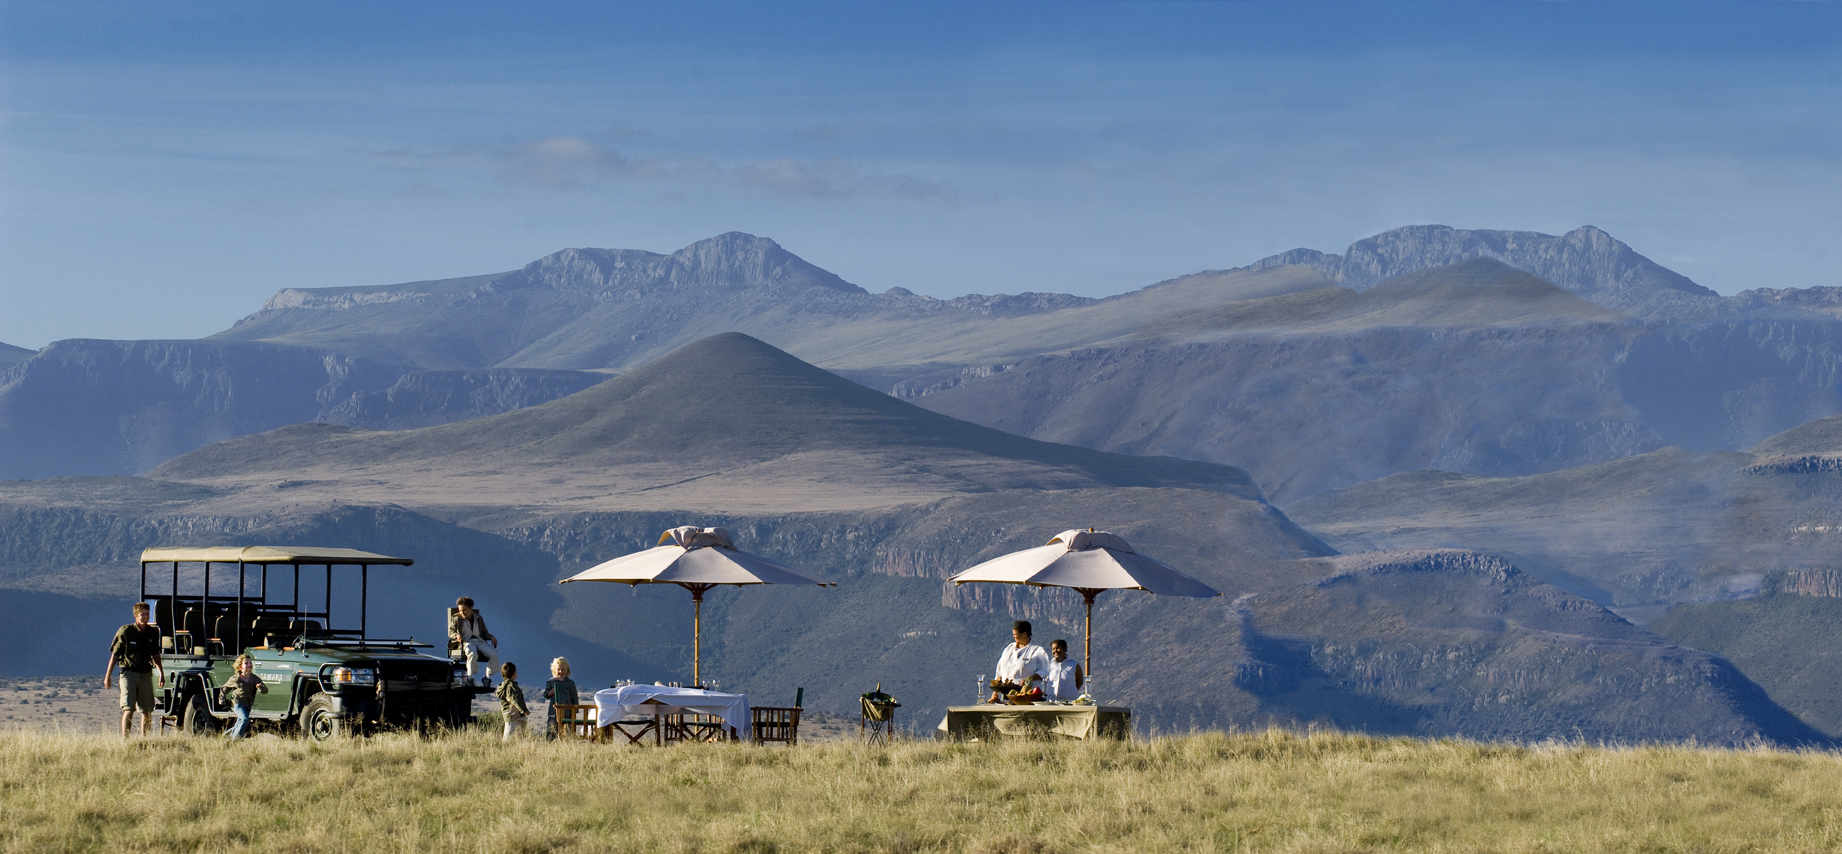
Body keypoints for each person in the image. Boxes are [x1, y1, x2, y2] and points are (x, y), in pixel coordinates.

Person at [104, 602, 166, 738]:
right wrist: (108, 675)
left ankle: (145, 739)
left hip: (145, 674)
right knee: (128, 708)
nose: (145, 617)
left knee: (147, 710)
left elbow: (156, 655)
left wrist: (161, 673)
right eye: (142, 614)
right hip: (129, 674)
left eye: (147, 614)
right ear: (136, 615)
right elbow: (115, 655)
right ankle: (126, 739)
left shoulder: (152, 633)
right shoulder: (126, 631)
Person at [988, 620, 1051, 703]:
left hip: (1026, 695)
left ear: (1024, 634)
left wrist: (1030, 678)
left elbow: (1045, 671)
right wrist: (995, 693)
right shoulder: (1009, 648)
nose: (1013, 637)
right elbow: (999, 671)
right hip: (1006, 694)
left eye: (1015, 634)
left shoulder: (1037, 651)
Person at [449, 596, 499, 687]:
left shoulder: (478, 618)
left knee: (493, 654)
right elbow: (451, 632)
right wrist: (457, 635)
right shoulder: (457, 619)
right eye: (460, 610)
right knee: (472, 653)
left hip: (479, 640)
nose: (462, 613)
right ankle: (470, 677)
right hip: (466, 641)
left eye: (464, 610)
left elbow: (484, 632)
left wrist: (491, 636)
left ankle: (488, 678)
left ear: (471, 608)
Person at [219, 653, 269, 740]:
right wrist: (222, 699)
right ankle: (235, 740)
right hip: (237, 703)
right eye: (246, 663)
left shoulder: (254, 678)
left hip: (248, 704)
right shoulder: (236, 678)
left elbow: (265, 690)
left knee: (240, 721)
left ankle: (227, 737)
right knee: (244, 719)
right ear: (240, 667)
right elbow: (225, 688)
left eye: (250, 663)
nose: (249, 665)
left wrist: (260, 687)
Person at [541, 657, 579, 741]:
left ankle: (565, 748)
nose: (561, 672)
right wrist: (550, 693)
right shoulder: (551, 682)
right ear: (554, 670)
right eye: (559, 669)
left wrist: (574, 710)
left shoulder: (570, 683)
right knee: (551, 732)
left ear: (567, 670)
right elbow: (545, 694)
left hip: (567, 713)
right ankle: (548, 747)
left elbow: (574, 698)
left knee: (567, 733)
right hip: (553, 713)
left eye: (563, 669)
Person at [495, 661, 528, 741]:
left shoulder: (504, 686)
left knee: (513, 734)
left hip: (509, 714)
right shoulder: (511, 687)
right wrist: (524, 710)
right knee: (510, 736)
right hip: (514, 714)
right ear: (514, 673)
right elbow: (515, 699)